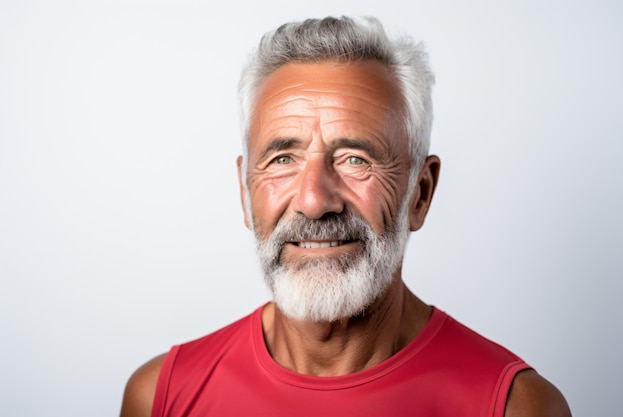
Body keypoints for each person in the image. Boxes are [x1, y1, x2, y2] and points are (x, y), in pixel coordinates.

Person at [120, 16, 571, 417]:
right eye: (282, 159)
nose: (315, 201)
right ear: (245, 192)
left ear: (420, 194)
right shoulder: (160, 397)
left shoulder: (517, 408)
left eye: (356, 159)